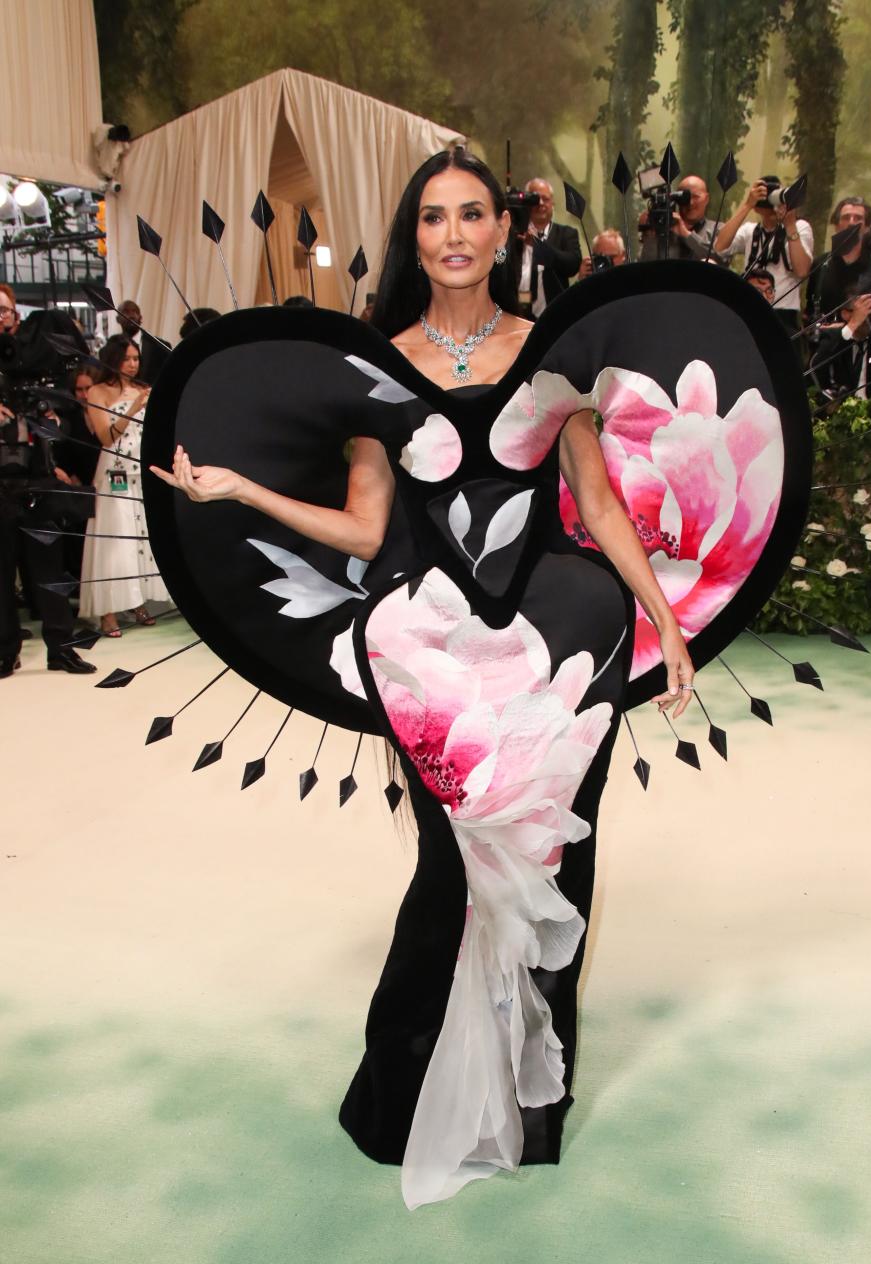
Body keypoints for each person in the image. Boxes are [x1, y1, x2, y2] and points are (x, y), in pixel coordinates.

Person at [145, 147, 808, 1209]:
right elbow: (366, 527)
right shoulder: (376, 366)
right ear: (414, 238)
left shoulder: (554, 354)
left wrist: (663, 620)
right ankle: (404, 1091)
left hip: (567, 635)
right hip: (426, 647)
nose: (453, 234)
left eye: (472, 215)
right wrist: (245, 490)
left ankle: (528, 1108)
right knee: (449, 870)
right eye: (432, 219)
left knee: (558, 867)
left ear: (505, 229)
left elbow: (595, 505)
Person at [0, 283, 96, 676]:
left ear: (15, 315)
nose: (1, 318)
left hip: (37, 478)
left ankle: (62, 647)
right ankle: (6, 651)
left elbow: (66, 416)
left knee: (49, 569)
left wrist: (51, 421)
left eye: (4, 311)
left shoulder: (36, 361)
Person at [79, 335, 169, 636]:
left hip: (140, 471)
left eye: (136, 359)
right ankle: (108, 611)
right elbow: (106, 437)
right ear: (113, 358)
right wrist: (131, 409)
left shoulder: (143, 388)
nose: (132, 364)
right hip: (114, 473)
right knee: (114, 541)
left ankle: (136, 601)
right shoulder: (97, 392)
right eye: (127, 358)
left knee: (141, 540)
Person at [713, 176, 813, 334]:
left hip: (783, 312)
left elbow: (802, 271)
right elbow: (719, 246)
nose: (769, 199)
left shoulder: (799, 227)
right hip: (749, 308)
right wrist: (747, 205)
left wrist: (790, 225)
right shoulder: (750, 231)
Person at [515, 176, 581, 318]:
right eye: (535, 198)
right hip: (516, 312)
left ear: (553, 203)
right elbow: (499, 261)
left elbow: (573, 265)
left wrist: (538, 245)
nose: (540, 203)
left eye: (545, 199)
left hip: (555, 313)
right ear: (526, 202)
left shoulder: (566, 233)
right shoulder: (514, 234)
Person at [639, 174, 726, 262]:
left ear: (706, 199)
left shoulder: (719, 229)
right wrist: (649, 237)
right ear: (677, 199)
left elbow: (720, 259)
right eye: (685, 198)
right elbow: (646, 267)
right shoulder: (664, 230)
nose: (690, 203)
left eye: (696, 197)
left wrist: (687, 235)